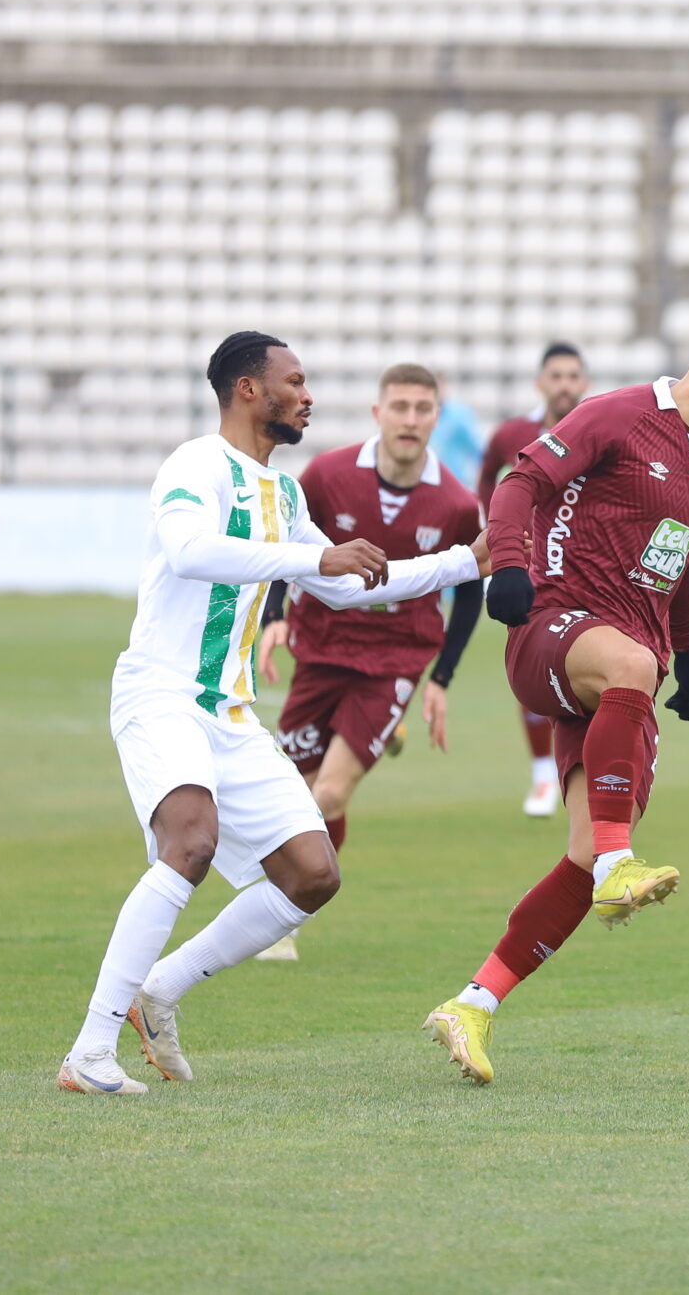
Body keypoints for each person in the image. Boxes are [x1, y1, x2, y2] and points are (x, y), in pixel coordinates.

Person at [63, 332, 491, 1097]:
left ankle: (158, 989)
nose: (308, 395)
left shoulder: (284, 494)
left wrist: (469, 560)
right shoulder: (195, 464)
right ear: (249, 391)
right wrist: (312, 560)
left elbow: (351, 582)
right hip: (161, 692)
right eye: (295, 382)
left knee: (313, 873)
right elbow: (190, 549)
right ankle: (90, 1050)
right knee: (188, 841)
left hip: (227, 714)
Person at [422, 305, 689, 1086]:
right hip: (553, 627)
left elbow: (677, 562)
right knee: (630, 671)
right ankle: (621, 862)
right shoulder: (620, 415)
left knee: (585, 854)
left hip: (629, 657)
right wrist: (513, 565)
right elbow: (523, 479)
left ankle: (473, 1003)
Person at [246, 362, 486, 961]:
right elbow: (290, 546)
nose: (410, 419)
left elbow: (472, 588)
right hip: (322, 649)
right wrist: (275, 618)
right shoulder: (326, 476)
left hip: (394, 661)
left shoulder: (456, 503)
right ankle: (295, 896)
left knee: (324, 795)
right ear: (378, 414)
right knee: (296, 790)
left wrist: (442, 680)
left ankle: (273, 912)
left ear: (437, 417)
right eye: (399, 407)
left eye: (422, 408)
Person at [477, 340, 592, 817]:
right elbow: (489, 481)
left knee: (588, 670)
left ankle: (584, 772)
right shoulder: (513, 434)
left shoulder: (598, 427)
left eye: (572, 376)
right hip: (530, 569)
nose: (564, 385)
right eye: (556, 376)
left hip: (587, 569)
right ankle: (544, 775)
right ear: (540, 383)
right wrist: (499, 538)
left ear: (583, 383)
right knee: (535, 665)